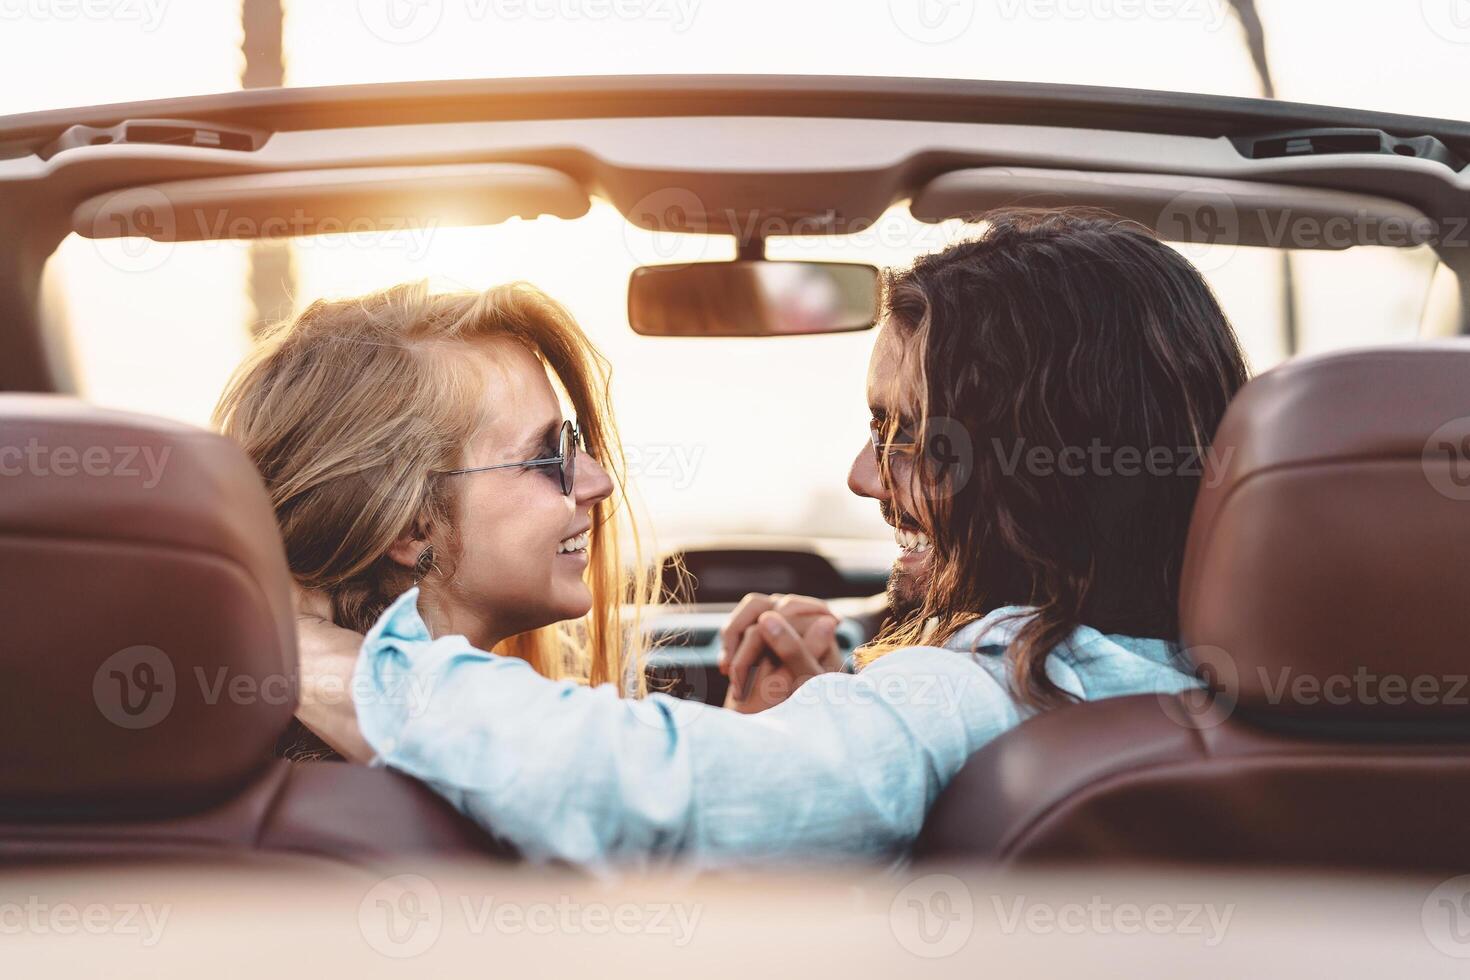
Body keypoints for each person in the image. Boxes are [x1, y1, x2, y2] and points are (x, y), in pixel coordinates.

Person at [295, 209, 1251, 872]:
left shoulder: (976, 693)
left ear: (1044, 466)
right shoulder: (1269, 699)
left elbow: (658, 796)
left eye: (906, 434)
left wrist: (323, 662)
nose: (864, 477)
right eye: (552, 456)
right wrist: (806, 732)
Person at [213, 280, 655, 761]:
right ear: (413, 528)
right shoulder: (512, 769)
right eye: (548, 457)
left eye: (571, 441)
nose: (599, 481)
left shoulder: (248, 767)